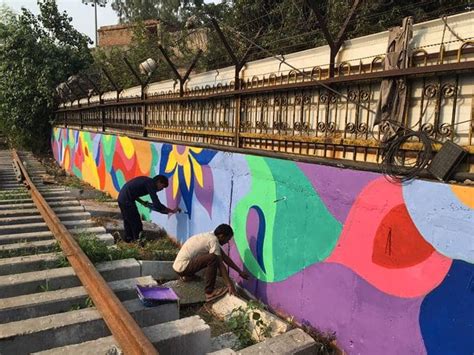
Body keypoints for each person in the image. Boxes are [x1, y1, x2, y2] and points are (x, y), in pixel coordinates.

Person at [172, 224, 250, 302]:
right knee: (213, 258)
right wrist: (230, 285)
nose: (227, 242)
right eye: (228, 239)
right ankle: (209, 292)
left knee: (213, 257)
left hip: (178, 267)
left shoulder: (211, 237)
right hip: (182, 268)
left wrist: (239, 271)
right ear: (221, 236)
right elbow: (221, 264)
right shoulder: (213, 240)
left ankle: (187, 276)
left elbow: (225, 258)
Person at [117, 175, 180, 243]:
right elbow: (157, 204)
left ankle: (129, 240)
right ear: (158, 182)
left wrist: (143, 202)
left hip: (122, 197)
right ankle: (139, 243)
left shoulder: (147, 181)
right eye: (162, 186)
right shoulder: (150, 184)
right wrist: (170, 211)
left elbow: (132, 191)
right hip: (127, 200)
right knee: (136, 223)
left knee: (128, 221)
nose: (162, 189)